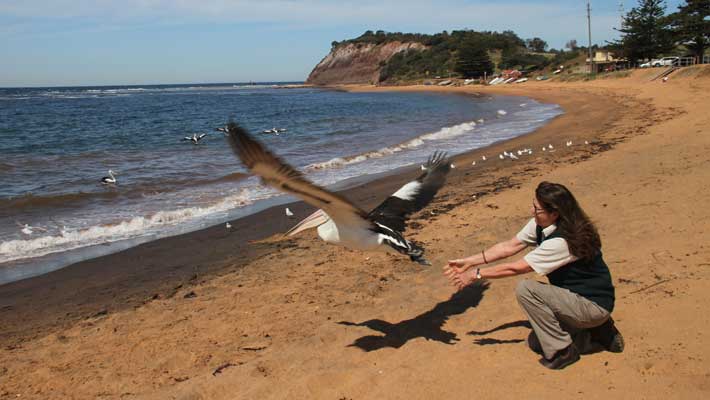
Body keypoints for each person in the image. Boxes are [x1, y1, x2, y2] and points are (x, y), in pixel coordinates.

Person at [443, 181, 624, 370]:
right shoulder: (543, 224)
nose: (532, 211)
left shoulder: (563, 240)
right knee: (536, 342)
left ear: (554, 213)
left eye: (537, 209)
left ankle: (565, 351)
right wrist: (471, 261)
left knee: (526, 289)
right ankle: (598, 332)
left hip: (592, 305)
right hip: (577, 298)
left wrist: (476, 274)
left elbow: (517, 268)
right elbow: (509, 246)